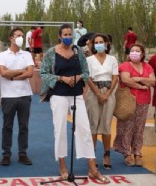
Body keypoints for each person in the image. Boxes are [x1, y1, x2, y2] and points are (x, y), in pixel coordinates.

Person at [40, 24, 110, 183]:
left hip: (76, 94)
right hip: (58, 95)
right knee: (60, 129)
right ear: (59, 36)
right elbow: (44, 73)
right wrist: (60, 78)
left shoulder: (78, 52)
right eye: (65, 34)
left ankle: (92, 168)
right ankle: (62, 166)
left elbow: (86, 72)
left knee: (84, 129)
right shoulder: (51, 53)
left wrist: (79, 78)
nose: (68, 37)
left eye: (70, 34)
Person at [113, 43, 155, 166]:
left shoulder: (147, 66)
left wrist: (137, 78)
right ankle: (127, 153)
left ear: (142, 54)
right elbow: (126, 79)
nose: (134, 53)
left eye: (137, 51)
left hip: (144, 100)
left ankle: (137, 152)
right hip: (128, 100)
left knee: (139, 128)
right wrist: (141, 86)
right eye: (132, 50)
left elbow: (153, 81)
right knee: (127, 126)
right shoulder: (125, 65)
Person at [0, 28, 34, 166]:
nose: (21, 38)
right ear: (11, 38)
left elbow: (30, 73)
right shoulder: (2, 55)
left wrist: (12, 75)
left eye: (22, 36)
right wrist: (20, 71)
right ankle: (6, 154)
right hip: (8, 96)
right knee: (7, 126)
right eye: (18, 36)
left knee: (24, 126)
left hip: (25, 95)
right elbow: (3, 73)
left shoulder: (27, 54)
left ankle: (22, 154)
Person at [85, 34, 118, 170]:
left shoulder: (112, 59)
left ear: (106, 44)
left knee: (106, 126)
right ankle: (92, 157)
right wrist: (99, 94)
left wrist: (107, 93)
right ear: (93, 45)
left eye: (101, 42)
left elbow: (115, 77)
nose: (99, 44)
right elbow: (88, 78)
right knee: (93, 125)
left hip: (109, 92)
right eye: (96, 42)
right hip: (94, 92)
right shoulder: (89, 60)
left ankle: (106, 155)